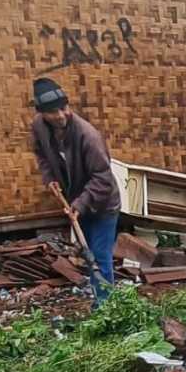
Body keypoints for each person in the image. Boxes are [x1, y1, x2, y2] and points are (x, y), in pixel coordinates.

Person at [30, 78, 120, 305]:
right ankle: (102, 299)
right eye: (53, 111)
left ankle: (106, 309)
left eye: (64, 108)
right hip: (77, 204)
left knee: (99, 256)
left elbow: (103, 178)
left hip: (102, 204)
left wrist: (79, 205)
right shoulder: (39, 127)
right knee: (88, 255)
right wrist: (49, 178)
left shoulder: (88, 136)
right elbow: (41, 154)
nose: (60, 115)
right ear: (42, 114)